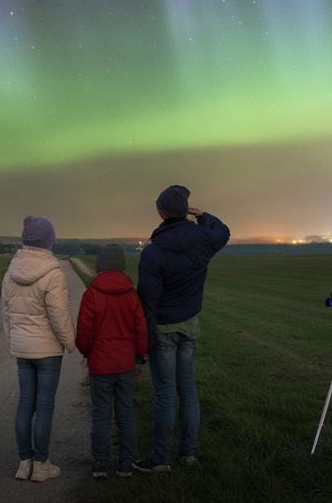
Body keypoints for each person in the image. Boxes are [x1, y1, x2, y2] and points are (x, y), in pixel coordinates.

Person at [133, 185, 230, 473]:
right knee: (187, 390)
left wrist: (145, 339)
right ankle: (188, 453)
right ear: (185, 211)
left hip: (162, 328)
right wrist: (203, 216)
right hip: (189, 324)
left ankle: (160, 459)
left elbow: (147, 300)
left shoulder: (153, 251)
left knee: (164, 392)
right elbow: (224, 231)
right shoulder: (203, 239)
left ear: (161, 213)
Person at [1, 216, 75, 482]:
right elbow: (59, 315)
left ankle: (24, 463)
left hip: (22, 349)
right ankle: (41, 466)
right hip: (47, 352)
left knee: (25, 404)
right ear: (48, 241)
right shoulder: (53, 274)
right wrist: (69, 343)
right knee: (44, 407)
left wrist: (15, 341)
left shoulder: (10, 272)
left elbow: (7, 313)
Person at [75, 244, 148, 480]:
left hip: (100, 365)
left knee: (101, 414)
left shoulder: (91, 294)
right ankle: (126, 464)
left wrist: (87, 352)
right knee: (125, 412)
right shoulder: (131, 294)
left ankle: (100, 463)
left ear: (99, 265)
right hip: (125, 365)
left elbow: (84, 332)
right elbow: (141, 330)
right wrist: (139, 355)